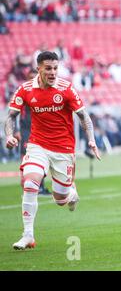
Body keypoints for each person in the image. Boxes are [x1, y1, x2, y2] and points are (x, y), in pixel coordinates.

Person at [4, 51, 101, 250]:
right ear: (38, 68)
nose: (53, 72)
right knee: (30, 183)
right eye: (48, 68)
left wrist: (91, 140)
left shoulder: (66, 89)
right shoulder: (25, 89)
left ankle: (71, 194)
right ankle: (28, 235)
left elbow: (84, 117)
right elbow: (11, 116)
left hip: (63, 149)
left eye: (55, 68)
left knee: (60, 199)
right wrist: (9, 135)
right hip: (37, 145)